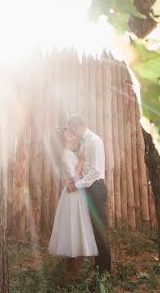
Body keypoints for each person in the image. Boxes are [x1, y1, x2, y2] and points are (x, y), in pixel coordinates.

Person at [47, 126, 98, 277]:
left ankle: (72, 272)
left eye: (71, 131)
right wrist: (81, 161)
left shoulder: (71, 153)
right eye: (68, 133)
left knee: (76, 230)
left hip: (76, 193)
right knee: (76, 231)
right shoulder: (66, 155)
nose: (72, 134)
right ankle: (72, 274)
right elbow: (75, 177)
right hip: (73, 197)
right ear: (63, 139)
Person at [66, 114, 111, 275]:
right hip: (87, 189)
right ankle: (98, 266)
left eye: (73, 130)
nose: (73, 134)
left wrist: (77, 185)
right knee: (91, 230)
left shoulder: (94, 141)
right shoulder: (82, 142)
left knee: (99, 230)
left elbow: (96, 171)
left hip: (96, 189)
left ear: (79, 127)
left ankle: (104, 270)